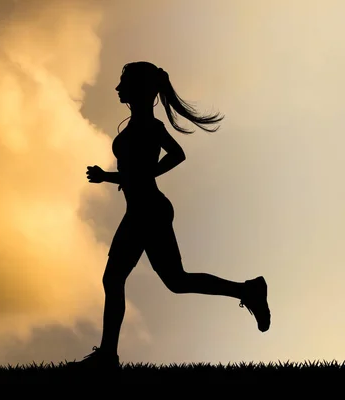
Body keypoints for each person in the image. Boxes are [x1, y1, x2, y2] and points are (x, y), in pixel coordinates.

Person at [68, 61, 271, 370]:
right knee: (168, 280)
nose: (118, 88)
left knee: (126, 279)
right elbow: (139, 172)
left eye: (124, 83)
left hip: (148, 210)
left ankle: (108, 356)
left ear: (139, 89)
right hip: (142, 210)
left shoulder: (150, 126)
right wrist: (117, 177)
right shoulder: (137, 124)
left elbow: (176, 155)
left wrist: (109, 177)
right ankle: (247, 289)